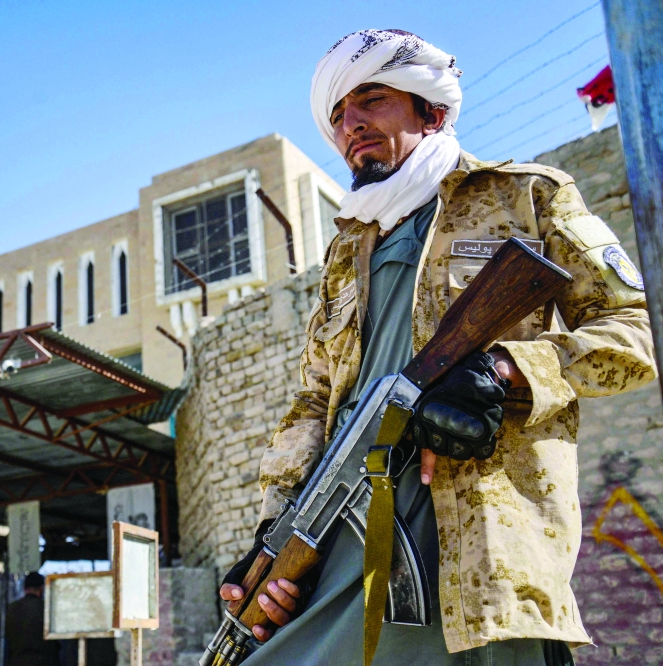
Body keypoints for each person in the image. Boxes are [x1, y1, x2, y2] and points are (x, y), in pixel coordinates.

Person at [219, 29, 656, 665]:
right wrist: (272, 532)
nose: (351, 125)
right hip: (347, 532)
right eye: (338, 114)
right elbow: (313, 402)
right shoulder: (347, 250)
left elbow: (636, 331)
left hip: (484, 548)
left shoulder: (525, 197)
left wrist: (507, 369)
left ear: (433, 110)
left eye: (372, 99)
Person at [5, 571, 60, 666]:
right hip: (44, 662)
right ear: (41, 589)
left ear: (24, 588)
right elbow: (55, 642)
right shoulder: (47, 608)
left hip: (17, 661)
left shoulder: (11, 608)